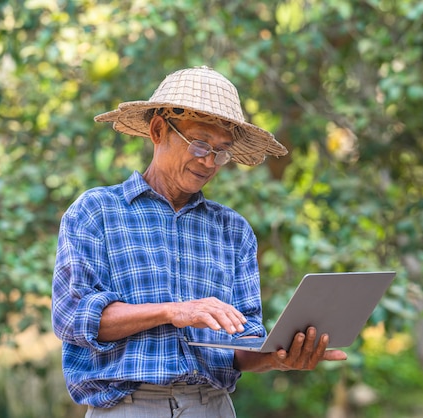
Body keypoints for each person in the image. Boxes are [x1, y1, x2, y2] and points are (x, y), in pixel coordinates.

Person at [52, 65, 347, 417]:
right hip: (127, 408)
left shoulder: (233, 230)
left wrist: (277, 356)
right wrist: (174, 311)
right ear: (159, 130)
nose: (209, 161)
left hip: (213, 407)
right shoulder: (95, 211)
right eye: (200, 144)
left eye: (221, 151)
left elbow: (241, 343)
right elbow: (73, 317)